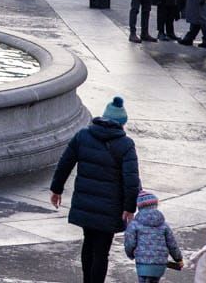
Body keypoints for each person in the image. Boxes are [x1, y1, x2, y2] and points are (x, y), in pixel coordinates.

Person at [50, 95, 141, 283]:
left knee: (88, 243)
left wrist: (56, 189)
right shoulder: (125, 145)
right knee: (101, 251)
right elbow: (131, 179)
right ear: (122, 123)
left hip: (85, 203)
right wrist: (130, 207)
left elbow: (65, 162)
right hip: (110, 208)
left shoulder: (83, 136)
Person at [123, 189, 182, 283]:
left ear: (139, 207)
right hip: (159, 264)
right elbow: (172, 244)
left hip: (142, 262)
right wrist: (178, 258)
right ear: (155, 205)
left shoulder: (135, 224)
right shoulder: (164, 224)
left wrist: (130, 254)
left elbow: (129, 242)